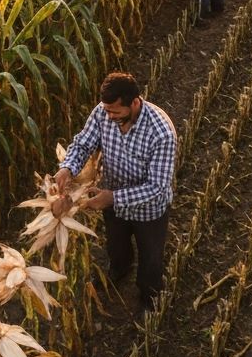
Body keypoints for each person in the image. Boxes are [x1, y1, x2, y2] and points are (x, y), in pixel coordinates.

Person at [55, 72, 177, 312]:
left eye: (116, 112)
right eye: (107, 111)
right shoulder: (103, 112)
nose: (110, 117)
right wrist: (67, 168)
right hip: (111, 199)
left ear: (134, 102)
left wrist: (112, 197)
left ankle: (149, 296)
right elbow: (83, 144)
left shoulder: (161, 133)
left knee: (151, 260)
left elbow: (157, 187)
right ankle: (120, 270)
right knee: (116, 247)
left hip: (149, 210)